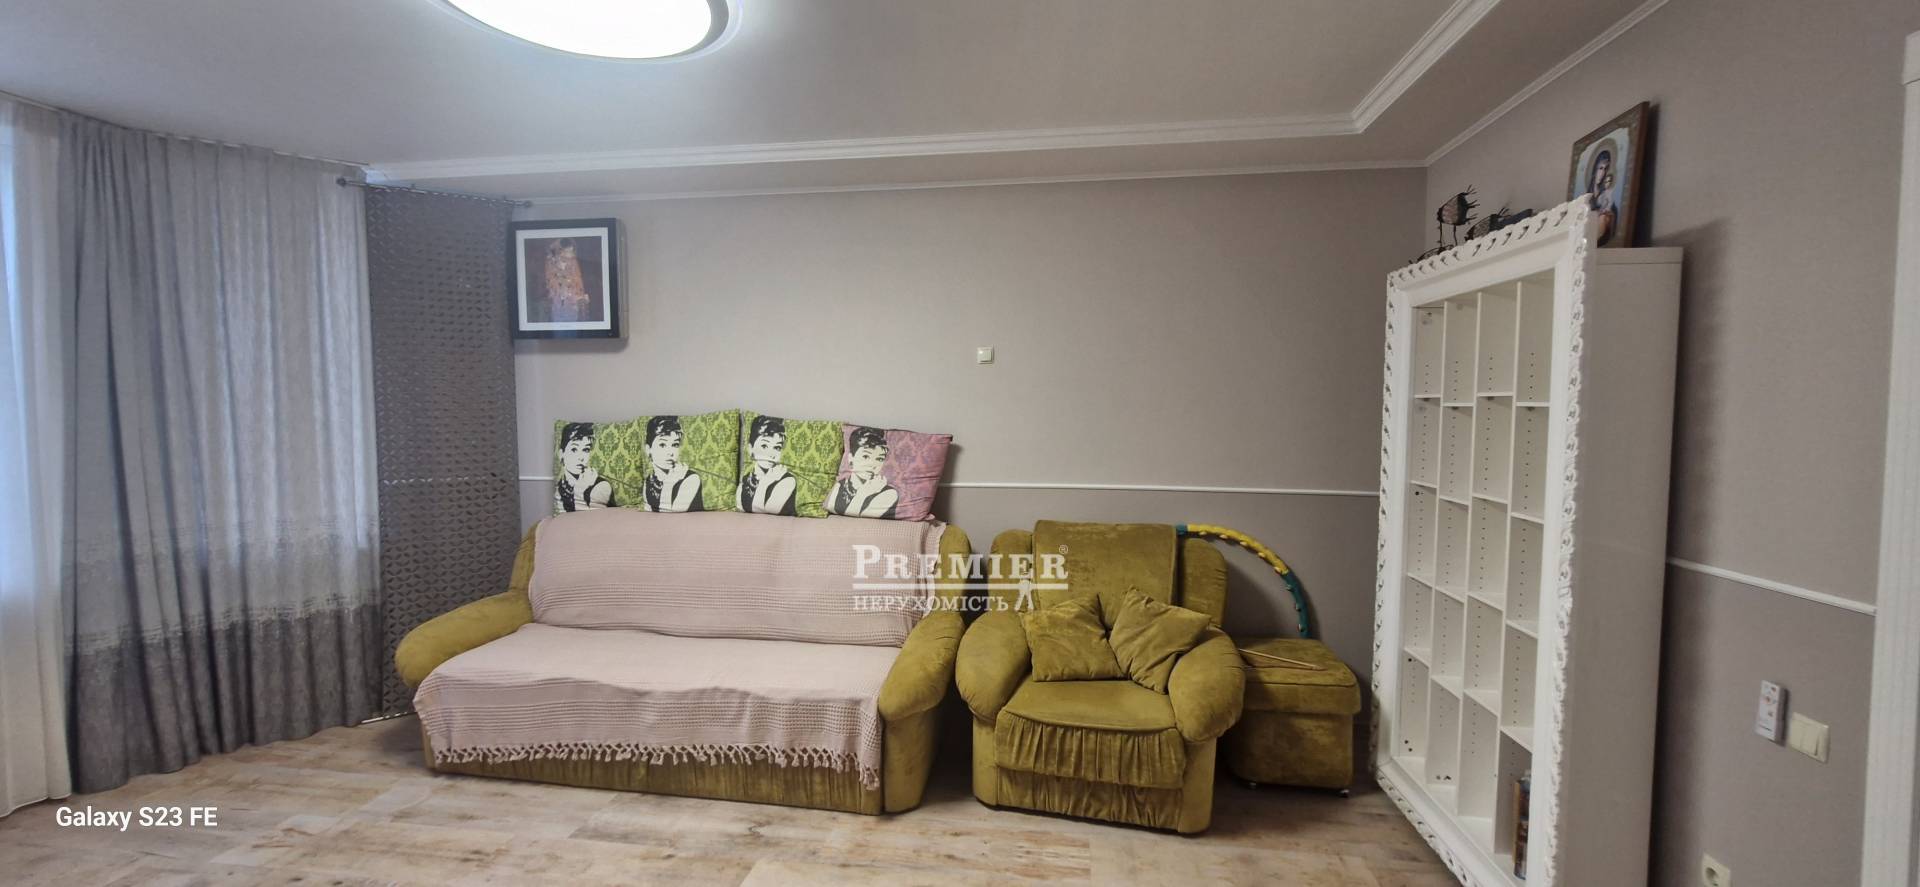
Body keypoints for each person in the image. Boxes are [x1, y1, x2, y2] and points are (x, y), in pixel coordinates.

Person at [828, 426, 899, 519]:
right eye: (865, 456)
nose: (872, 464)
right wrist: (863, 493)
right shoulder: (839, 486)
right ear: (851, 458)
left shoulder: (889, 494)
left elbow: (852, 523)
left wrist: (862, 494)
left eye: (879, 459)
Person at [737, 415, 798, 515]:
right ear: (750, 449)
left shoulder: (787, 481)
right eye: (764, 446)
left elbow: (761, 511)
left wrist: (765, 483)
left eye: (777, 447)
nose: (771, 454)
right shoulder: (746, 480)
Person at [643, 415, 704, 512]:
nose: (670, 452)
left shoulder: (691, 479)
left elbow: (669, 513)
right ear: (648, 449)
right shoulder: (649, 481)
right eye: (662, 445)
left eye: (675, 445)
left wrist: (669, 483)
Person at [554, 422, 615, 512]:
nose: (581, 457)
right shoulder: (559, 487)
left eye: (585, 450)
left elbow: (596, 518)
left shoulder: (601, 486)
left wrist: (582, 491)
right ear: (561, 454)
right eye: (574, 449)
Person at [543, 238, 589, 323]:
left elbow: (578, 281)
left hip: (572, 303)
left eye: (571, 251)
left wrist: (580, 296)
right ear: (560, 251)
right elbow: (550, 283)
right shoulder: (550, 262)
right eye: (568, 251)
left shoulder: (573, 262)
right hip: (557, 303)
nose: (570, 254)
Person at [1586, 148, 1619, 246]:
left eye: (1606, 169)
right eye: (1600, 168)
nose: (1603, 173)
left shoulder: (1606, 194)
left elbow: (1611, 211)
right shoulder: (1586, 196)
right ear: (1594, 170)